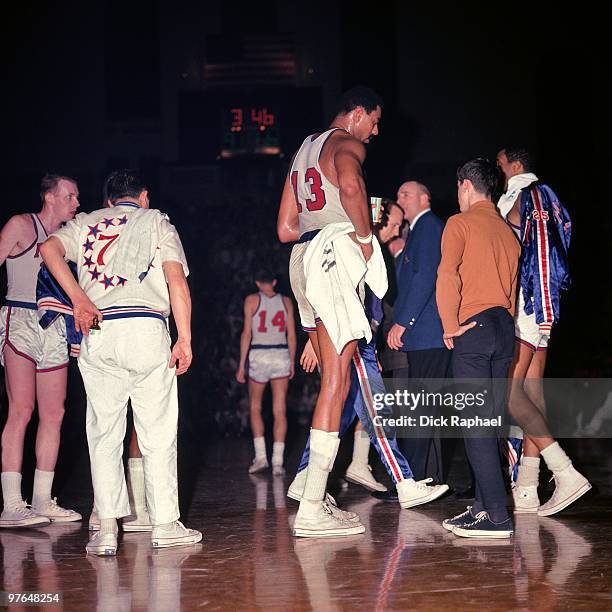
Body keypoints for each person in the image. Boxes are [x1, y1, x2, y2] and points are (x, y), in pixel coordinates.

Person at [40, 169, 201, 555]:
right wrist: (184, 338)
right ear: (142, 196)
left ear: (109, 201)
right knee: (157, 431)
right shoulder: (156, 220)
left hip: (101, 330)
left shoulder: (86, 222)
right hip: (146, 328)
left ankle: (107, 529)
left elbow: (48, 249)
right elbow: (176, 282)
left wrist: (79, 298)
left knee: (104, 434)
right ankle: (164, 525)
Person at [289, 201, 449, 510]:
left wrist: (314, 334)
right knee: (375, 409)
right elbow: (347, 290)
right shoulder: (358, 241)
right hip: (351, 336)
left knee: (344, 405)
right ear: (377, 218)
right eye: (394, 224)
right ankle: (404, 483)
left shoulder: (338, 241)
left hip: (346, 333)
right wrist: (314, 338)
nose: (396, 230)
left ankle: (305, 475)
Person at [277, 85, 384, 537]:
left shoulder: (303, 150)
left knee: (333, 382)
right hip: (332, 256)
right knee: (337, 384)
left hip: (302, 259)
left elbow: (285, 228)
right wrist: (362, 236)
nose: (375, 132)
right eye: (374, 121)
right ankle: (312, 509)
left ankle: (314, 495)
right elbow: (353, 184)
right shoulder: (347, 143)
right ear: (357, 114)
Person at [496, 146, 590, 515]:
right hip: (545, 305)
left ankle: (564, 471)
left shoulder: (524, 196)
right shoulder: (549, 197)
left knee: (509, 394)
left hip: (527, 303)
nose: (498, 169)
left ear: (516, 165)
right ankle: (528, 487)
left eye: (501, 164)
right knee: (533, 392)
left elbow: (530, 252)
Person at [436, 158, 520, 538]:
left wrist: (449, 324)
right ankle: (484, 508)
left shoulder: (460, 223)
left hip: (474, 327)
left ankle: (499, 518)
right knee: (490, 422)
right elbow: (514, 293)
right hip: (504, 328)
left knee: (475, 426)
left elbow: (447, 275)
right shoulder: (508, 233)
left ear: (465, 185)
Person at [0, 174, 82, 528]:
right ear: (50, 197)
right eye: (71, 196)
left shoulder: (69, 235)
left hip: (53, 324)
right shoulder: (20, 224)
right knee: (22, 408)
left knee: (55, 412)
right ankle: (11, 504)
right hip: (19, 317)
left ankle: (41, 500)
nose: (77, 202)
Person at [387, 181, 450, 485]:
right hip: (423, 333)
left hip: (427, 331)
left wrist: (403, 322)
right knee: (424, 409)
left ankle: (412, 481)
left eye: (406, 194)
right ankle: (429, 478)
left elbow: (426, 276)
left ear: (425, 198)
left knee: (419, 409)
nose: (400, 198)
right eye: (398, 194)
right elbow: (409, 279)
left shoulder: (428, 227)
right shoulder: (415, 231)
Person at [235, 269, 296, 476]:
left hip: (259, 353)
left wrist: (241, 365)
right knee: (280, 409)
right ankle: (278, 461)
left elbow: (246, 334)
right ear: (275, 281)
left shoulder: (252, 300)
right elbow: (292, 336)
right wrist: (292, 361)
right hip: (280, 354)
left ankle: (261, 458)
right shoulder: (286, 301)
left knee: (255, 407)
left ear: (258, 282)